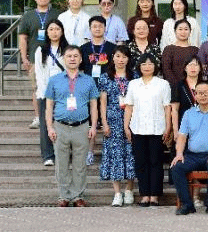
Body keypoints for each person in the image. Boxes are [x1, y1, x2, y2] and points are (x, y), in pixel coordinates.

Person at [44, 45, 98, 207]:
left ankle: (77, 196)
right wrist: (50, 127)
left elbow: (94, 106)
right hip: (60, 126)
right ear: (64, 59)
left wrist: (93, 127)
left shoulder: (88, 80)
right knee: (61, 163)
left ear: (81, 59)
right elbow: (49, 106)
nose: (72, 59)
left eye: (75, 56)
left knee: (80, 164)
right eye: (69, 56)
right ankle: (64, 196)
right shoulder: (54, 80)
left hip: (82, 126)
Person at [170, 80, 208, 216]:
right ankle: (187, 204)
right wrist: (179, 153)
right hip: (193, 155)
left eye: (206, 93)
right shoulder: (188, 114)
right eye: (200, 93)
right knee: (176, 167)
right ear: (195, 95)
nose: (203, 96)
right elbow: (182, 136)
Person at [123, 52, 171, 207]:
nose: (147, 67)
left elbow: (167, 107)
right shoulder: (133, 84)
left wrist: (168, 126)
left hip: (157, 128)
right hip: (137, 128)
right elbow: (129, 106)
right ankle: (144, 194)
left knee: (156, 162)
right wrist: (126, 126)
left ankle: (154, 195)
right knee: (141, 162)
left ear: (155, 66)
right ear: (139, 67)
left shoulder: (163, 84)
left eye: (150, 64)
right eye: (144, 64)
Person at [98, 46, 136, 206]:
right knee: (114, 155)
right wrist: (104, 122)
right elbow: (103, 102)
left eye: (124, 57)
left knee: (131, 154)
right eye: (118, 56)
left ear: (128, 59)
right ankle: (117, 193)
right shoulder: (105, 77)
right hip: (113, 120)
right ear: (112, 57)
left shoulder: (134, 76)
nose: (121, 60)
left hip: (132, 119)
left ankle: (129, 189)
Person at [33, 19, 67, 166]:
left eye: (57, 29)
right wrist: (45, 92)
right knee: (45, 124)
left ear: (62, 31)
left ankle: (63, 153)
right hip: (45, 92)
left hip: (64, 93)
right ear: (47, 32)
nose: (54, 32)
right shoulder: (40, 50)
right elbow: (39, 73)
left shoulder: (67, 49)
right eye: (51, 29)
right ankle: (48, 155)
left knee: (64, 123)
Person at [21, 0, 62, 84]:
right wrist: (24, 58)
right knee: (36, 88)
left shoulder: (58, 15)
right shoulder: (28, 16)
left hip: (55, 58)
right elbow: (22, 38)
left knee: (56, 87)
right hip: (34, 58)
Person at [161, 19, 200, 93]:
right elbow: (166, 70)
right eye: (180, 29)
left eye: (186, 29)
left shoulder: (195, 50)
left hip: (193, 88)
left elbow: (199, 69)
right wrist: (177, 86)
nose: (183, 32)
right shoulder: (169, 49)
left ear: (190, 31)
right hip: (174, 88)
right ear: (175, 31)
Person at [169, 56, 203, 138]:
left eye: (196, 65)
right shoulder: (179, 85)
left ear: (200, 68)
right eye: (190, 65)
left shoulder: (205, 85)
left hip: (203, 127)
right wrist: (176, 131)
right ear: (185, 68)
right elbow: (174, 110)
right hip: (184, 127)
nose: (193, 68)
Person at [81, 16, 117, 82]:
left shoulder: (113, 48)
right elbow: (81, 69)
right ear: (90, 29)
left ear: (105, 28)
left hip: (107, 83)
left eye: (100, 26)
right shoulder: (83, 48)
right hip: (88, 83)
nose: (97, 29)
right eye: (95, 26)